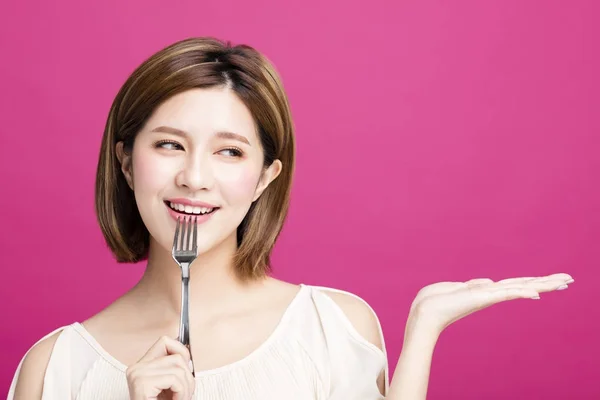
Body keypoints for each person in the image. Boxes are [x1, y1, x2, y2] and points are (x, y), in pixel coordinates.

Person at [8, 37, 574, 400]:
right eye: (169, 145)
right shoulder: (54, 368)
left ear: (264, 178)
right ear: (126, 163)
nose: (195, 177)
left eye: (230, 151)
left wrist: (422, 331)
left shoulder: (331, 329)